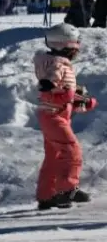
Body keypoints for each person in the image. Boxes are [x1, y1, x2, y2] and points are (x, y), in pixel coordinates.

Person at [34, 23, 96, 210]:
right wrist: (50, 86)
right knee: (71, 150)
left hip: (55, 114)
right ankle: (66, 189)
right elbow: (50, 83)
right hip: (53, 116)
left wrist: (79, 99)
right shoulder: (57, 64)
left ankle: (47, 195)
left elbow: (63, 91)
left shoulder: (58, 63)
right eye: (75, 46)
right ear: (64, 46)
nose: (77, 50)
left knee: (54, 156)